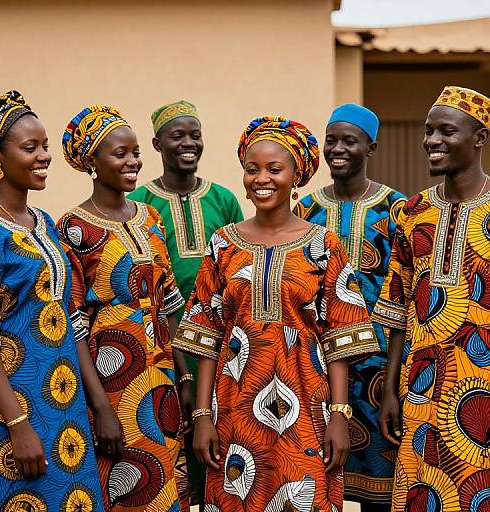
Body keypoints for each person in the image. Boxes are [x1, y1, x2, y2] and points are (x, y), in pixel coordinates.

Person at [173, 116, 380, 511]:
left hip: (306, 404)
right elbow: (204, 334)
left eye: (274, 169)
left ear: (296, 175)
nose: (260, 179)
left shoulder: (323, 244)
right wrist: (202, 415)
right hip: (232, 405)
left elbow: (339, 338)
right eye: (252, 170)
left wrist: (339, 414)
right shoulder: (223, 244)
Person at [57, 105, 191, 511]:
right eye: (121, 154)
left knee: (169, 480)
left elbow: (169, 304)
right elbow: (74, 324)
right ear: (92, 162)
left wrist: (183, 377)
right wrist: (100, 408)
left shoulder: (151, 217)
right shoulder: (73, 227)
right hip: (112, 380)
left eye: (136, 153)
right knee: (125, 484)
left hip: (162, 373)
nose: (133, 162)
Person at [0, 91, 103, 510]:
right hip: (10, 411)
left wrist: (96, 401)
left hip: (65, 408)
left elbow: (67, 316)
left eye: (45, 145)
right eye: (30, 147)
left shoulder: (45, 223)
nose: (43, 156)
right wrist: (17, 424)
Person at [374, 86, 490, 512]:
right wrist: (390, 387)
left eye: (446, 131)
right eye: (427, 131)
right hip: (421, 385)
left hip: (483, 386)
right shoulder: (411, 211)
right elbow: (398, 306)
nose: (431, 140)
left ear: (479, 138)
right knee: (421, 490)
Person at [128, 99, 243, 505]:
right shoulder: (140, 201)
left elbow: (237, 264)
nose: (189, 143)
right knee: (173, 437)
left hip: (220, 340)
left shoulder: (224, 199)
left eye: (195, 135)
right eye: (178, 136)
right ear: (158, 144)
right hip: (164, 340)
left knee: (221, 442)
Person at [294, 104, 407, 511]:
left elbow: (403, 295)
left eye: (349, 141)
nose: (337, 149)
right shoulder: (305, 211)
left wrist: (393, 382)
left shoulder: (398, 210)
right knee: (317, 480)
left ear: (371, 148)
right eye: (331, 141)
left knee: (383, 483)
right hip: (320, 366)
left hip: (380, 368)